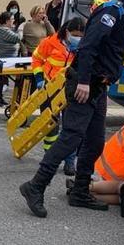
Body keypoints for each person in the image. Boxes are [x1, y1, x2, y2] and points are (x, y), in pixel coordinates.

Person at [19, 0, 124, 218]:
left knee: (95, 141)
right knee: (71, 137)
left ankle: (80, 190)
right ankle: (35, 186)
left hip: (98, 87)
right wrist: (84, 81)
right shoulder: (112, 12)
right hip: (85, 85)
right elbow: (88, 46)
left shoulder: (122, 15)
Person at [31, 17, 86, 176]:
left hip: (70, 90)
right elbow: (36, 58)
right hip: (49, 87)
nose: (78, 39)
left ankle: (70, 161)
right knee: (50, 125)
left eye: (81, 36)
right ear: (67, 32)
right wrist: (39, 78)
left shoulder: (83, 47)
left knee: (71, 128)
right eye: (75, 35)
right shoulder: (50, 42)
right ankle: (50, 158)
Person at [0, 12, 21, 107]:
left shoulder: (4, 29)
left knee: (2, 79)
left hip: (2, 60)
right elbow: (17, 38)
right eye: (12, 19)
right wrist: (20, 28)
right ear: (7, 21)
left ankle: (0, 98)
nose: (13, 21)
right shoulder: (3, 30)